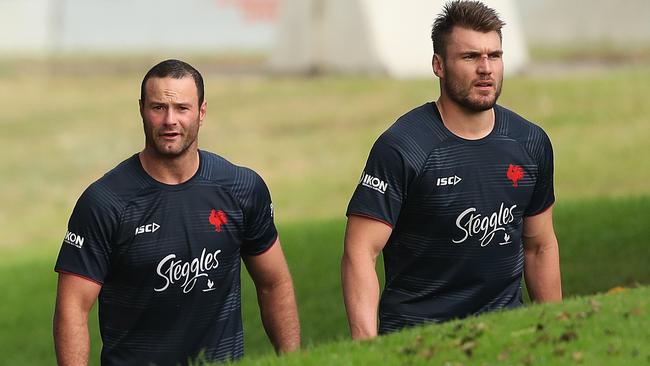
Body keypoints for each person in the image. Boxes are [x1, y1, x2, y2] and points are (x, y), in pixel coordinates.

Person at [53, 59, 300, 365]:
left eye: (182, 108)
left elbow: (273, 282)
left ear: (202, 112)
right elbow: (72, 307)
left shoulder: (240, 188)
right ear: (142, 110)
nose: (170, 120)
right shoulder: (106, 202)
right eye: (158, 108)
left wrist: (292, 360)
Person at [342, 0, 562, 339]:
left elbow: (539, 246)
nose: (486, 68)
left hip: (505, 334)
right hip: (417, 337)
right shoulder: (403, 147)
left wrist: (553, 333)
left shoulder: (529, 143)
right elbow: (360, 251)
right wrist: (367, 348)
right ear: (439, 65)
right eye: (470, 57)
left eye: (495, 55)